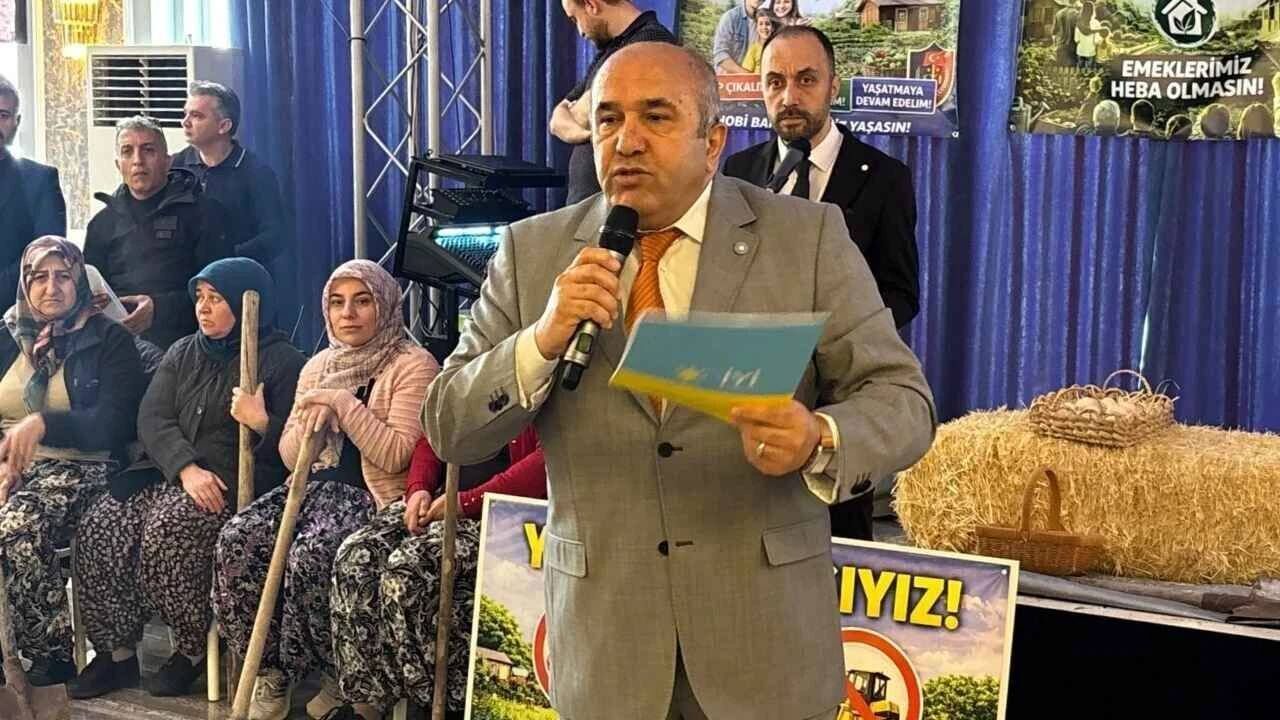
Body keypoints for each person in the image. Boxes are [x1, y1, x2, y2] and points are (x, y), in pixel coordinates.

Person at [423, 42, 936, 720]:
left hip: (765, 652)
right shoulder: (532, 252)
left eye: (656, 117)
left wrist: (820, 436)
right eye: (608, 119)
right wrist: (540, 341)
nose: (626, 140)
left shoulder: (806, 238)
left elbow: (903, 401)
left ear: (712, 141)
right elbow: (450, 426)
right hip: (607, 654)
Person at [68, 258, 305, 700]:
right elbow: (153, 417)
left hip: (227, 484)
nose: (204, 307)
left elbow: (296, 445)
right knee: (102, 524)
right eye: (200, 297)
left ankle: (191, 647)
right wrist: (184, 467)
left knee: (169, 531)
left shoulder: (282, 361)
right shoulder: (183, 352)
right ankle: (116, 654)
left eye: (217, 299)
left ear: (245, 304)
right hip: (169, 472)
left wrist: (261, 423)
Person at [213, 260, 438, 720]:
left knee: (313, 554)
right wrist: (306, 423)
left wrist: (342, 405)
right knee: (237, 539)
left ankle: (338, 674)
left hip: (372, 497)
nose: (347, 313)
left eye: (362, 301)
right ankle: (273, 670)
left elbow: (397, 455)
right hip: (310, 489)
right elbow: (290, 456)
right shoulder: (318, 366)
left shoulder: (413, 365)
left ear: (385, 306)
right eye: (337, 303)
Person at [723, 27, 920, 542]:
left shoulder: (884, 177)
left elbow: (902, 292)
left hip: (836, 409)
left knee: (836, 558)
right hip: (747, 417)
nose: (789, 96)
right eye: (775, 82)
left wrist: (828, 341)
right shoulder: (738, 172)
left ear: (834, 85)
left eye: (806, 79)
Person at [0, 237, 146, 686]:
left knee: (17, 527)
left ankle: (49, 653)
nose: (51, 287)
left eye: (63, 276)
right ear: (25, 283)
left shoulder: (110, 340)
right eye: (39, 277)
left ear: (80, 280)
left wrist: (44, 424)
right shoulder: (9, 336)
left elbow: (113, 423)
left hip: (83, 466)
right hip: (12, 464)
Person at [327, 429, 546, 719]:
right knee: (354, 558)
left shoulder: (549, 399)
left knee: (406, 574)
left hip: (502, 516)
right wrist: (418, 488)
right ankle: (367, 702)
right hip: (440, 501)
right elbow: (432, 436)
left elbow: (547, 463)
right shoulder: (457, 393)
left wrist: (467, 502)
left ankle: (429, 703)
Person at [84, 115, 236, 349]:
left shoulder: (205, 213)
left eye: (148, 150)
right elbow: (89, 293)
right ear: (118, 164)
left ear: (167, 161)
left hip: (188, 346)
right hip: (117, 347)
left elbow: (223, 290)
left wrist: (158, 309)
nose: (138, 161)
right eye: (127, 151)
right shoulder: (101, 224)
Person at [552, 0, 677, 205]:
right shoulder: (609, 51)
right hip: (589, 205)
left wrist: (580, 118)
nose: (580, 31)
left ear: (591, 5)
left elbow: (586, 110)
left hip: (616, 205)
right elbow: (557, 120)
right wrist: (586, 134)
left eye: (575, 19)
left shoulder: (650, 43)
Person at [171, 81, 287, 265]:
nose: (185, 122)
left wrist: (229, 257)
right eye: (185, 114)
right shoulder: (175, 166)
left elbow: (275, 236)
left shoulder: (256, 172)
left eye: (197, 116)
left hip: (235, 272)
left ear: (224, 126)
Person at [0, 75, 66, 306]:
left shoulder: (40, 180)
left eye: (3, 115)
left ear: (16, 122)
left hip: (16, 316)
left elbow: (45, 258)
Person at [712, 0, 761, 75]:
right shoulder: (731, 17)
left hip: (755, 79)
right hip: (728, 79)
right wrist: (747, 76)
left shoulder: (765, 21)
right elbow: (720, 55)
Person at [740, 9, 779, 73]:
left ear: (773, 27)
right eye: (761, 24)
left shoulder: (779, 48)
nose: (764, 27)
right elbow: (746, 73)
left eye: (767, 24)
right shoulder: (754, 49)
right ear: (757, 28)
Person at [1052, 0, 1081, 66]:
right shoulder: (1076, 14)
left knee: (1060, 69)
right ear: (1075, 2)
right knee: (1071, 70)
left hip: (1060, 46)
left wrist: (1055, 44)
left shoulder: (1058, 13)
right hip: (1072, 47)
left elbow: (1054, 32)